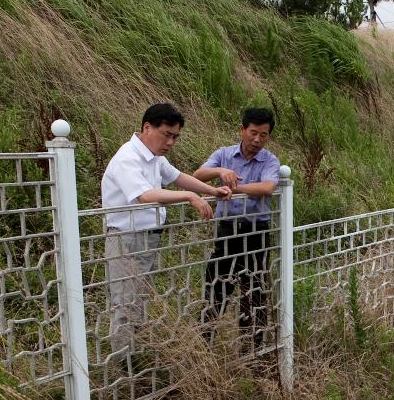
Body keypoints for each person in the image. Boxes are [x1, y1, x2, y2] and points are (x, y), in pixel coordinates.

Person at [101, 102, 230, 356]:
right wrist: (189, 197)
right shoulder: (128, 158)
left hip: (147, 238)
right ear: (147, 128)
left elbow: (177, 176)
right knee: (126, 306)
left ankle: (133, 359)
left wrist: (211, 190)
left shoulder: (155, 158)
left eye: (175, 136)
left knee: (137, 303)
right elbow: (145, 195)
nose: (171, 142)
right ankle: (122, 368)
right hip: (126, 238)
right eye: (166, 134)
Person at [192, 107, 280, 341]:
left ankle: (254, 349)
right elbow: (198, 175)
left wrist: (234, 189)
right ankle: (203, 345)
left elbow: (267, 187)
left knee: (255, 291)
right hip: (227, 230)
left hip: (256, 232)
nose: (257, 140)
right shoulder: (224, 155)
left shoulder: (269, 160)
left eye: (263, 135)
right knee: (216, 285)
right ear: (242, 130)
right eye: (253, 133)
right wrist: (221, 172)